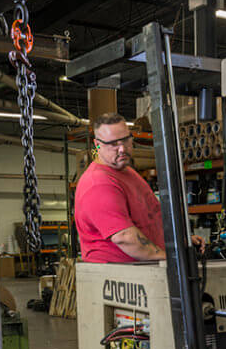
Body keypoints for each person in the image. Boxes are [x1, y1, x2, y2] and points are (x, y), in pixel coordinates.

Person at [74, 112, 205, 263]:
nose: (122, 149)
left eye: (125, 140)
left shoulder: (128, 172)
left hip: (144, 268)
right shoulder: (98, 183)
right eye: (113, 144)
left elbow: (151, 219)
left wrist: (181, 243)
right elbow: (124, 238)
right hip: (121, 277)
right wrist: (173, 260)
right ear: (97, 145)